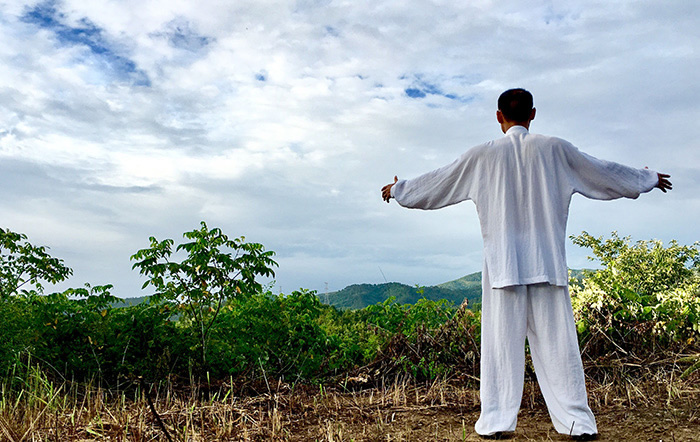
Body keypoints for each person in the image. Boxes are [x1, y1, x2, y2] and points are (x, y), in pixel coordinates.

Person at [381, 88, 672, 440]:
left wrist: (401, 190)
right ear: (533, 114)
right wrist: (645, 179)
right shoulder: (556, 149)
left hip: (503, 265)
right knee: (560, 348)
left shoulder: (482, 155)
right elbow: (602, 173)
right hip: (546, 261)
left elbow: (439, 182)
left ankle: (496, 422)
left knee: (500, 350)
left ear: (499, 117)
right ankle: (577, 423)